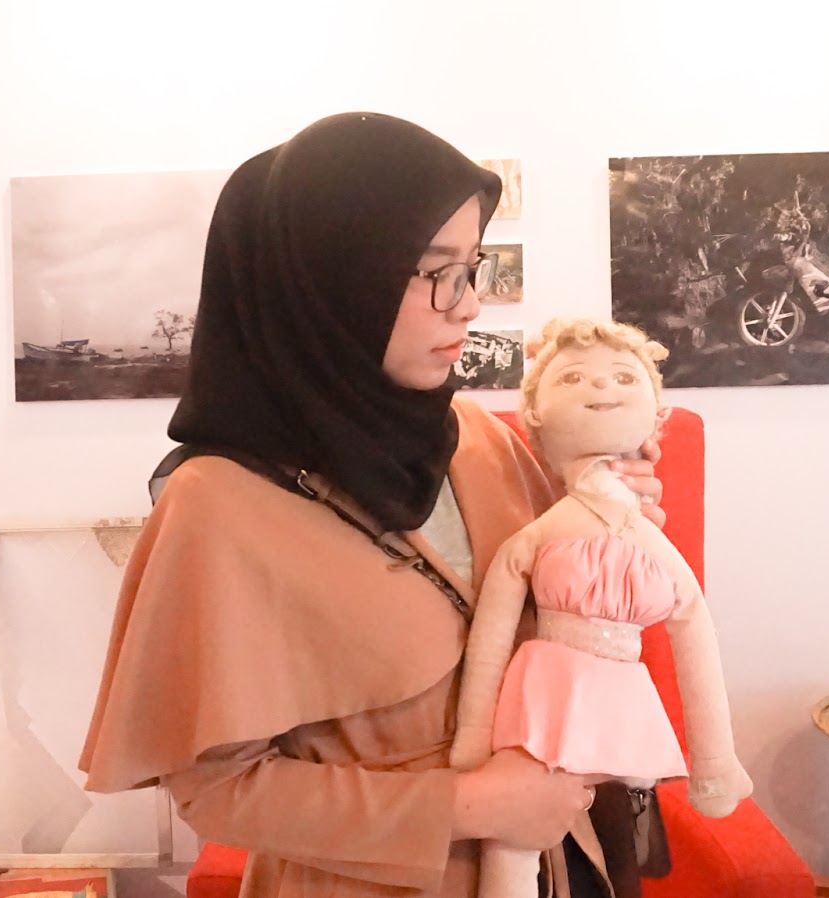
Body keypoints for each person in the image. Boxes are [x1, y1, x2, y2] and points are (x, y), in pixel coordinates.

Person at [79, 112, 666, 898]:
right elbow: (216, 788)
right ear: (332, 285)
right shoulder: (218, 503)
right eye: (437, 272)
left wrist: (601, 524)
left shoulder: (473, 437)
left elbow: (550, 620)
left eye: (473, 267)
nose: (468, 306)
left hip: (554, 863)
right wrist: (467, 805)